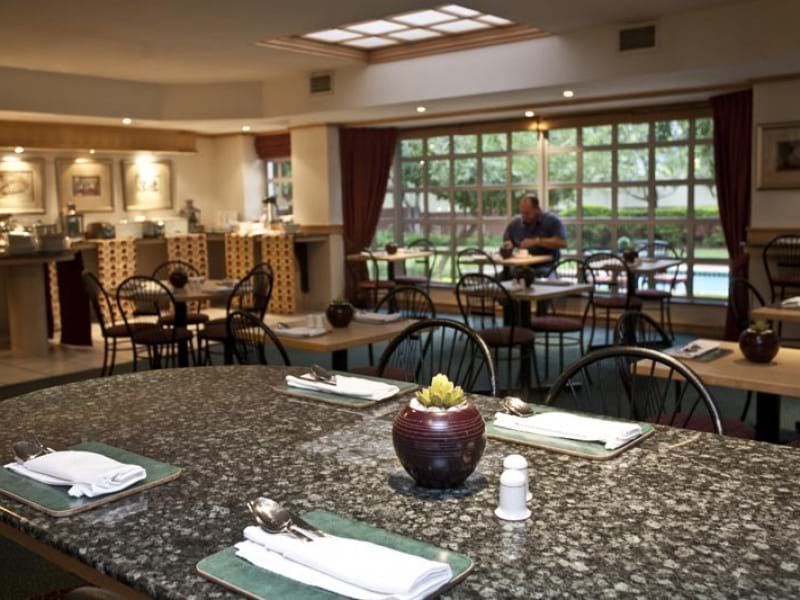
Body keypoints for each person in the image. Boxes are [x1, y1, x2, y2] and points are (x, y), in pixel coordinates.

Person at [503, 194, 566, 272]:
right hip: (520, 266)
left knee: (537, 273)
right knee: (504, 276)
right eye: (522, 213)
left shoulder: (552, 221)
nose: (524, 217)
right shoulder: (516, 223)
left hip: (545, 266)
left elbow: (562, 243)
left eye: (527, 213)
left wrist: (537, 241)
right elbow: (507, 240)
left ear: (537, 209)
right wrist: (508, 245)